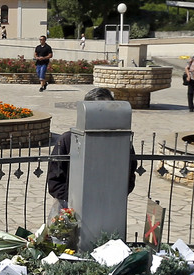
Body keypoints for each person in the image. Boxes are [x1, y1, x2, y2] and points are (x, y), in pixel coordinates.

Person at [46, 88, 136, 217]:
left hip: (109, 208)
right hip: (71, 210)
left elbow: (129, 175)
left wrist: (112, 198)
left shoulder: (122, 142)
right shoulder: (68, 140)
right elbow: (54, 180)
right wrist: (74, 202)